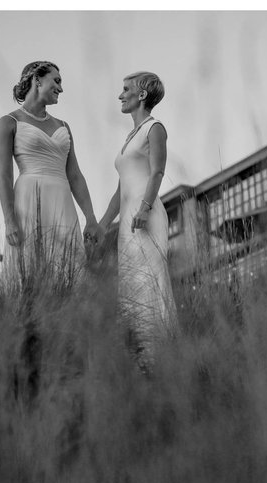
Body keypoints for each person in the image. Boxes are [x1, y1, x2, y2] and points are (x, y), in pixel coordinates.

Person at [0, 61, 102, 285]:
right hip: (28, 200)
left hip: (62, 202)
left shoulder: (64, 125)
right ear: (38, 80)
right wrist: (10, 221)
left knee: (69, 270)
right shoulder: (9, 122)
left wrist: (91, 218)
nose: (61, 89)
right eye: (57, 81)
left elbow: (75, 175)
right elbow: (4, 177)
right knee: (29, 271)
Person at [96, 71, 178, 362]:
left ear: (141, 95)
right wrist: (103, 223)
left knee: (149, 278)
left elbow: (157, 171)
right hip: (128, 217)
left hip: (146, 213)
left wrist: (144, 208)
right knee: (130, 281)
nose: (120, 95)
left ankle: (159, 354)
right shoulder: (130, 136)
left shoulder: (154, 128)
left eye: (126, 89)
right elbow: (121, 189)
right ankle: (137, 353)